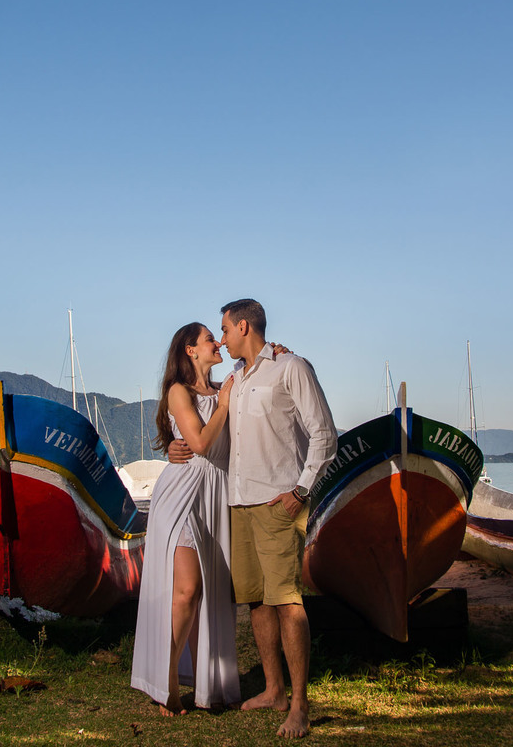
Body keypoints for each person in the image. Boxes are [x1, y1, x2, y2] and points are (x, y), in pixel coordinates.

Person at [170, 299, 337, 739]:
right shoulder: (236, 380)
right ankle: (273, 689)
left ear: (244, 326)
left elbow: (324, 433)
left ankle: (299, 704)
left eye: (224, 329)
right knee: (257, 603)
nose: (221, 339)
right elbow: (210, 434)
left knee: (287, 601)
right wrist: (172, 448)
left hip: (278, 503)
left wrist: (301, 491)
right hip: (237, 503)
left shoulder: (290, 366)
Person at [130, 322, 241, 716]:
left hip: (216, 493)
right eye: (210, 338)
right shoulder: (180, 391)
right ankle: (168, 682)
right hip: (183, 495)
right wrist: (224, 405)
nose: (217, 342)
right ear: (191, 351)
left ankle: (201, 684)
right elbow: (197, 443)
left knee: (208, 593)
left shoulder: (225, 386)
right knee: (189, 589)